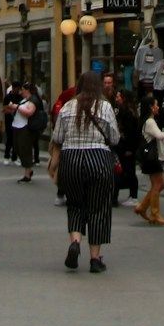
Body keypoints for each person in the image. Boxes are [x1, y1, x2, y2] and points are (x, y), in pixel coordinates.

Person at [52, 82, 120, 272]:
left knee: (74, 205)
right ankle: (95, 259)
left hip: (71, 160)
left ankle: (75, 242)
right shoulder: (105, 107)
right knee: (98, 208)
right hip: (98, 160)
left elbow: (57, 136)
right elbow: (114, 138)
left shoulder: (67, 107)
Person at [135, 94, 164, 224]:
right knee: (158, 184)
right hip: (151, 158)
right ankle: (154, 214)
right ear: (150, 107)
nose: (158, 107)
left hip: (150, 157)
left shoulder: (148, 121)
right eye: (156, 105)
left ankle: (142, 207)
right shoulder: (149, 121)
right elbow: (160, 135)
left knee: (160, 183)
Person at [113, 89, 141, 202]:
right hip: (123, 147)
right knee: (125, 170)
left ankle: (133, 195)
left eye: (119, 96)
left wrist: (130, 148)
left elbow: (131, 132)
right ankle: (129, 194)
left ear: (124, 98)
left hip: (127, 147)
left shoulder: (128, 113)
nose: (117, 98)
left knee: (128, 170)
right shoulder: (122, 111)